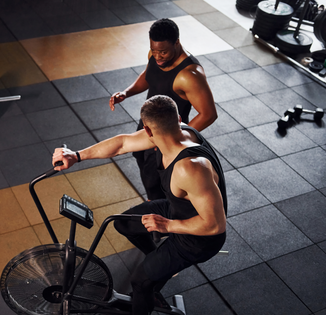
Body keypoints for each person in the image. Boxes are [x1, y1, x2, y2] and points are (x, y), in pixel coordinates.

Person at [53, 95, 227, 315]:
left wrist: (168, 226)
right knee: (124, 224)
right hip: (177, 210)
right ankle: (160, 266)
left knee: (140, 283)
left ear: (147, 130)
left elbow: (215, 226)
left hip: (198, 239)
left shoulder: (189, 168)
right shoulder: (180, 129)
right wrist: (76, 156)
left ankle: (151, 286)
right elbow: (123, 143)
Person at [109, 18, 217, 201]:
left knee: (158, 182)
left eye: (163, 52)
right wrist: (126, 93)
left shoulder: (189, 75)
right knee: (142, 162)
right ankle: (153, 205)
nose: (158, 56)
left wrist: (177, 138)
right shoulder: (155, 55)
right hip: (148, 125)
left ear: (177, 42)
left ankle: (162, 220)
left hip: (167, 136)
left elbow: (208, 114)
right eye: (154, 50)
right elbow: (149, 75)